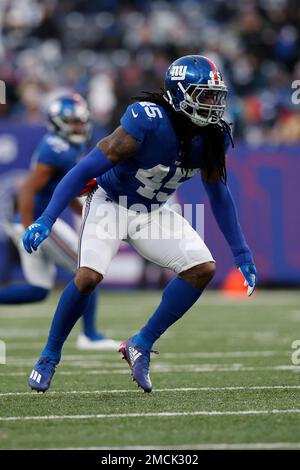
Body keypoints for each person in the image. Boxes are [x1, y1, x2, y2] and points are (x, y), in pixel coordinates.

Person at [23, 55, 258, 393]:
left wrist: (242, 253)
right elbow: (84, 169)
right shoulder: (147, 120)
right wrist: (47, 218)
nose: (212, 104)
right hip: (111, 203)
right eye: (203, 95)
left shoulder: (213, 137)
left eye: (215, 96)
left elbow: (219, 195)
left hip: (153, 211)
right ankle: (49, 355)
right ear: (180, 94)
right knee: (88, 277)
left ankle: (141, 343)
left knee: (202, 268)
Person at [1, 94, 119, 351]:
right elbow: (27, 190)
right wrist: (28, 225)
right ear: (58, 122)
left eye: (80, 121)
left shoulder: (66, 146)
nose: (78, 126)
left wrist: (90, 214)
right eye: (72, 122)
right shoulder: (56, 148)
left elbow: (64, 192)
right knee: (87, 266)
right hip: (41, 222)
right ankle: (89, 334)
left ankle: (89, 334)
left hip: (35, 220)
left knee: (38, 290)